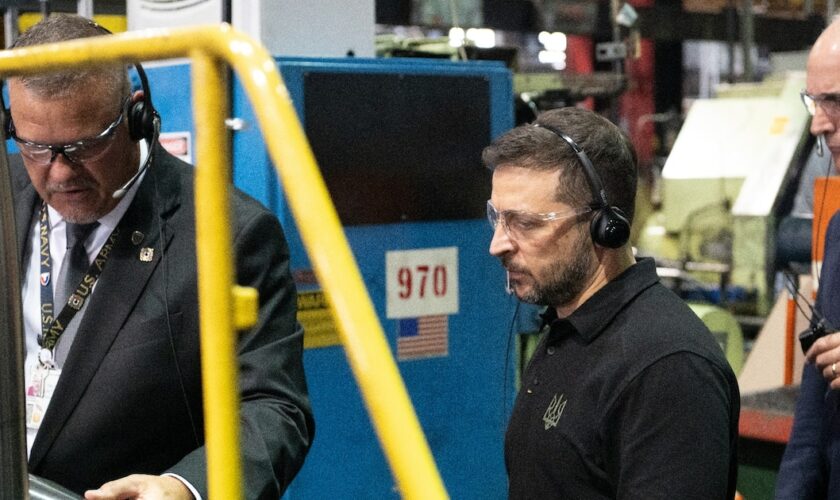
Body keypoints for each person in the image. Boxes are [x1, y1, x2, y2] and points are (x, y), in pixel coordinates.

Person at [6, 14, 313, 499]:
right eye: (37, 147)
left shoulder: (227, 232)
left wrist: (184, 486)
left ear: (136, 116)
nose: (60, 173)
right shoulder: (6, 191)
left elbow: (273, 407)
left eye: (84, 146)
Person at [483, 106, 739, 499]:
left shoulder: (667, 368)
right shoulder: (567, 331)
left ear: (606, 226)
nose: (497, 244)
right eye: (497, 218)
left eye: (525, 223)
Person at [776, 17, 840, 499]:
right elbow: (813, 419)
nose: (818, 122)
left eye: (833, 100)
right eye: (814, 101)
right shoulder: (838, 229)